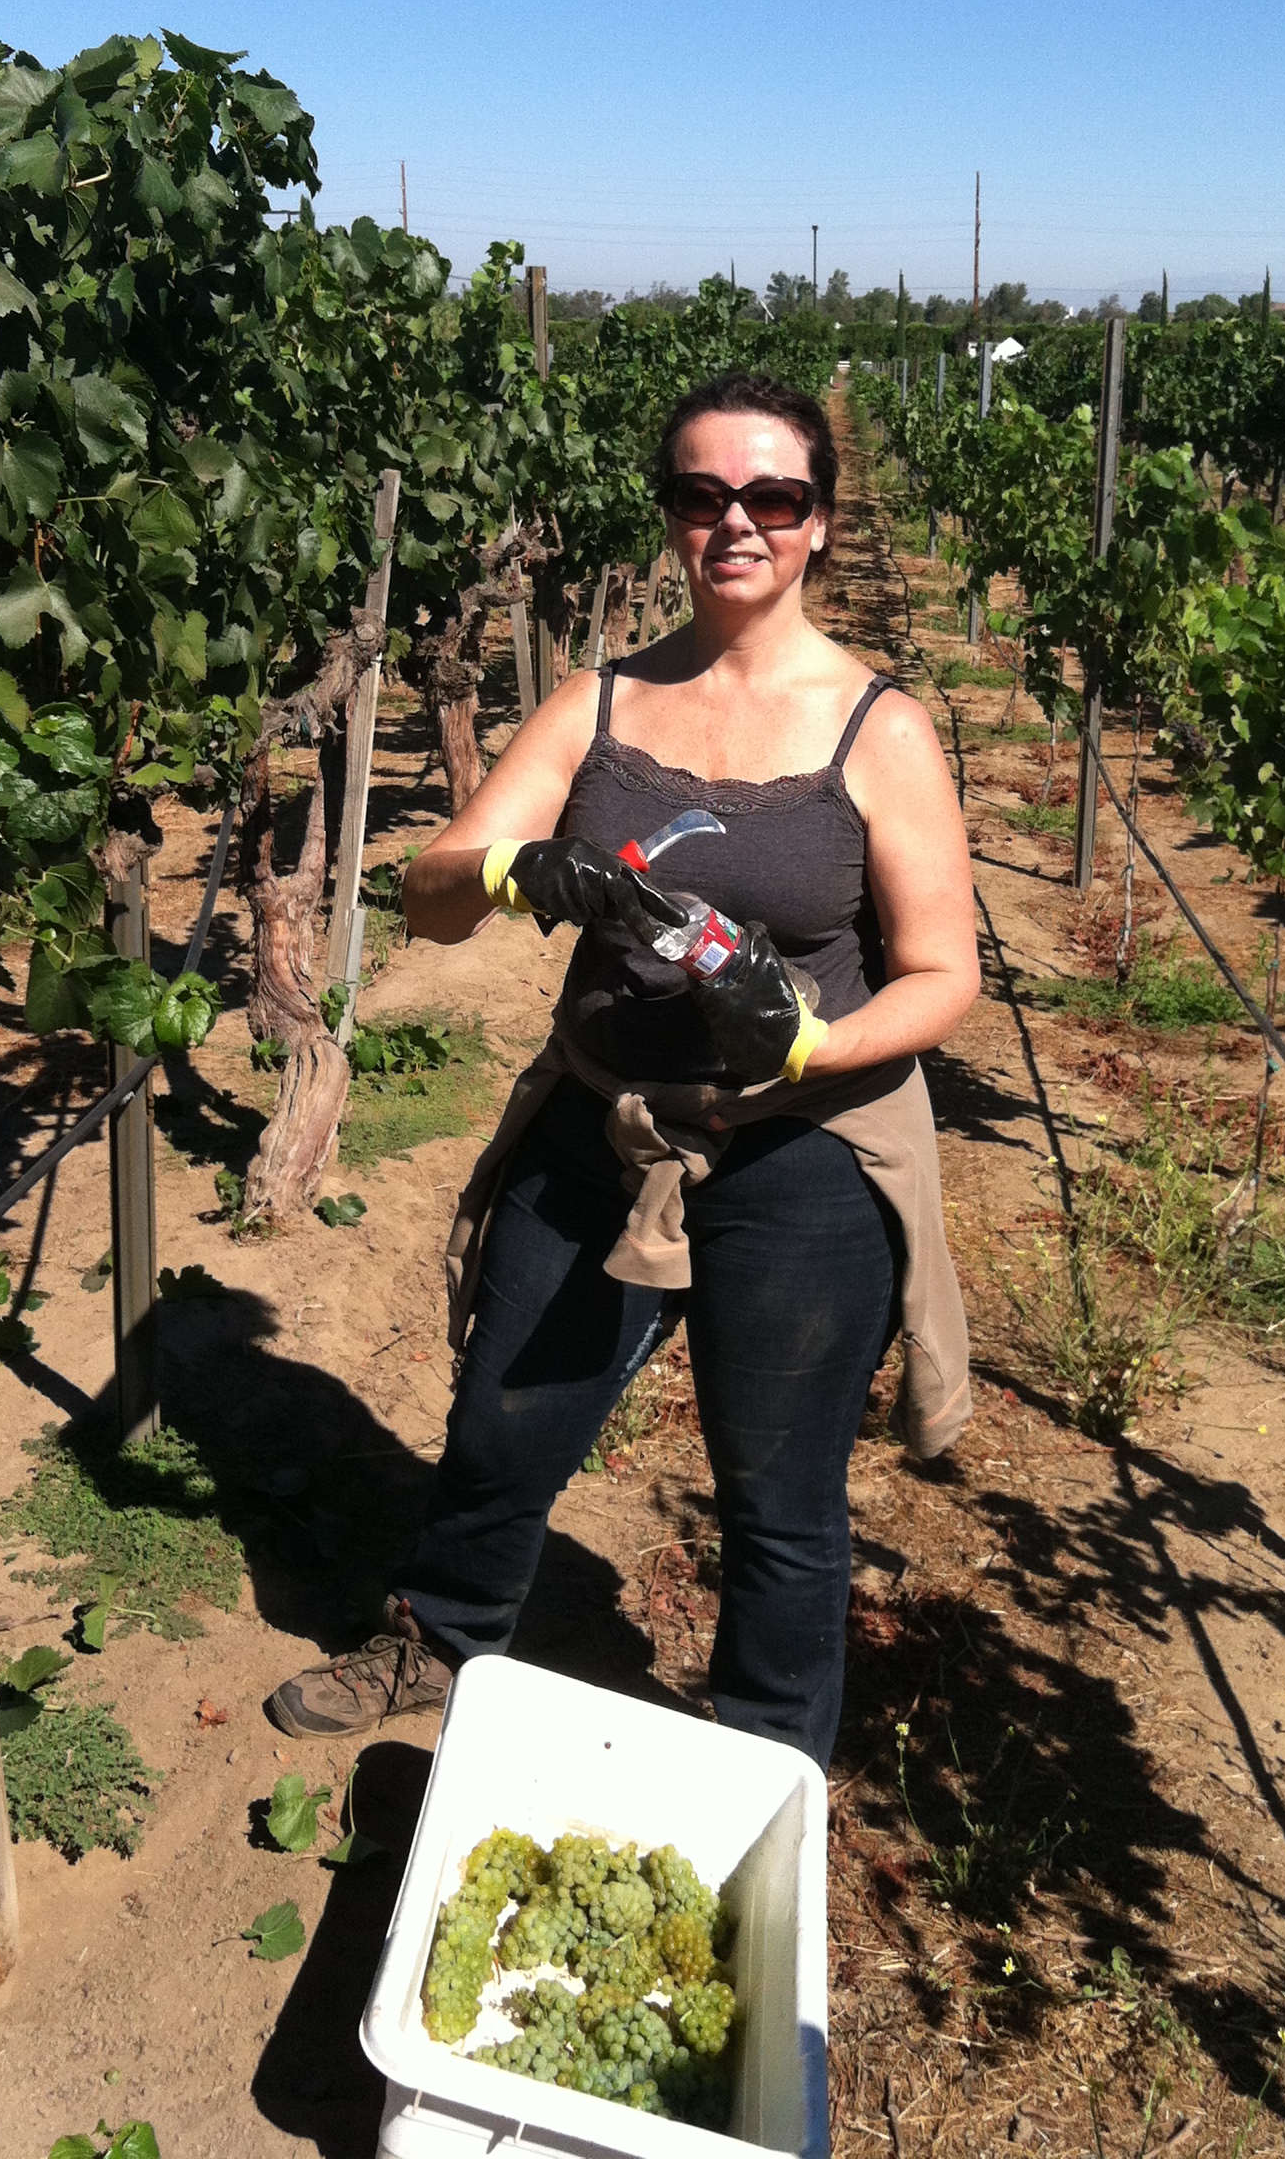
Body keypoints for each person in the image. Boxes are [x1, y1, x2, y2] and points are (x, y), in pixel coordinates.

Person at [267, 370, 980, 1766]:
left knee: (778, 1490)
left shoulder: (878, 729)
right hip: (603, 1135)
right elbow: (427, 893)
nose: (738, 524)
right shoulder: (597, 707)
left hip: (806, 1153)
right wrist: (519, 866)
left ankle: (768, 1759)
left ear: (820, 523)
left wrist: (818, 1043)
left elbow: (944, 973)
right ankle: (442, 1631)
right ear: (670, 518)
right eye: (703, 495)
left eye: (772, 497)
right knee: (503, 1420)